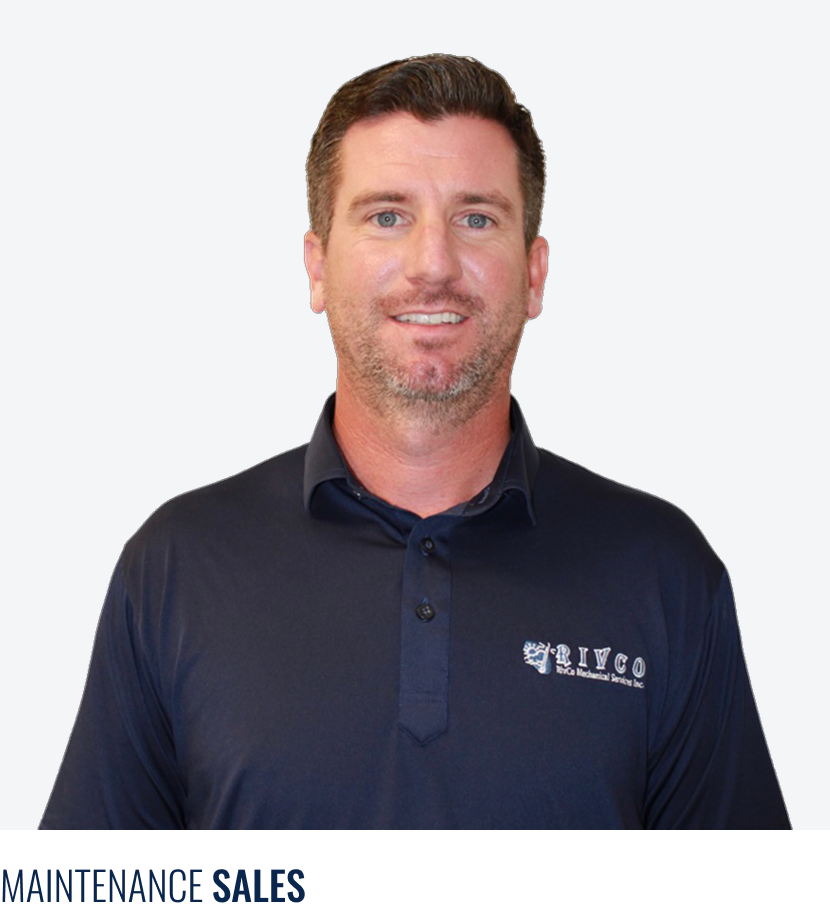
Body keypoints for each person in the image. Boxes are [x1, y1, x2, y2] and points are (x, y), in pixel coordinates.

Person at [40, 54, 789, 829]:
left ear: (533, 275)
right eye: (387, 215)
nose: (433, 264)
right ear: (318, 266)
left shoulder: (663, 573)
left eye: (477, 218)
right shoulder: (178, 568)